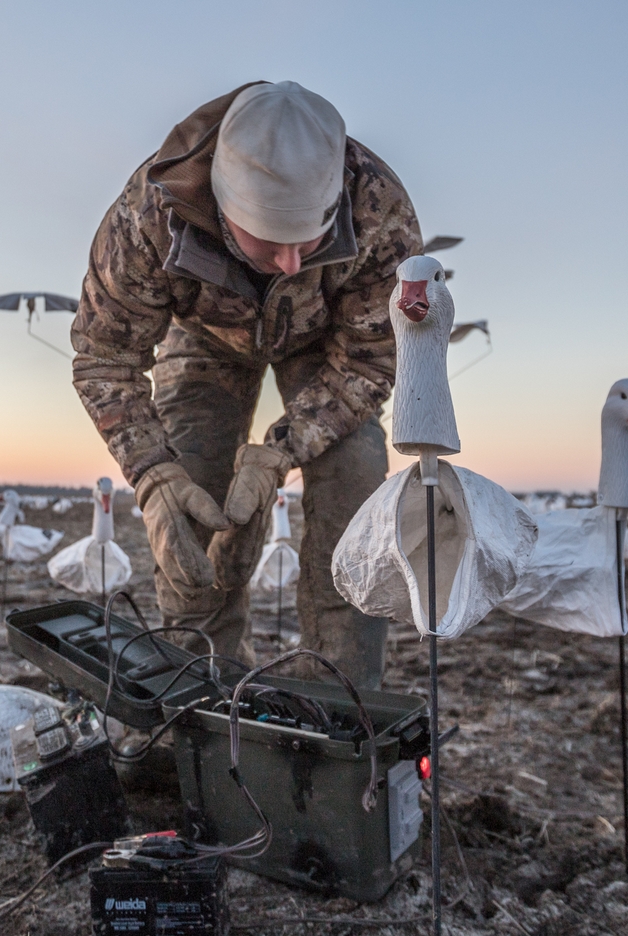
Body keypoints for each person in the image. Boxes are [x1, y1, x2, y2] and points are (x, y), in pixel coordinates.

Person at [71, 81, 421, 689]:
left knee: (354, 493)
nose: (291, 264)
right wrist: (152, 474)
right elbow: (105, 355)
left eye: (309, 237)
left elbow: (370, 358)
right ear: (225, 212)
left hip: (327, 343)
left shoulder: (377, 208)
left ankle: (342, 709)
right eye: (272, 241)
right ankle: (200, 698)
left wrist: (281, 450)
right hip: (207, 334)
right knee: (195, 498)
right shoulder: (150, 217)